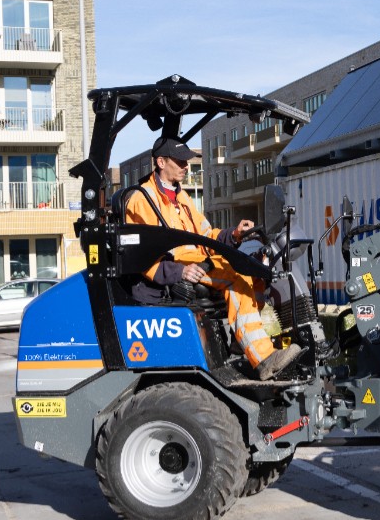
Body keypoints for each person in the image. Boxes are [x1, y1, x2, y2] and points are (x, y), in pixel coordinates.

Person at [124, 136, 303, 379]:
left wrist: (235, 234)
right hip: (178, 271)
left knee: (255, 272)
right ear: (161, 162)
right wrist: (180, 272)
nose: (187, 166)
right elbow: (141, 254)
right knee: (237, 281)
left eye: (187, 162)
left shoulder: (182, 198)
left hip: (198, 263)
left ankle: (242, 341)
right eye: (181, 161)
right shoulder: (142, 200)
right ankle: (263, 359)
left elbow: (207, 235)